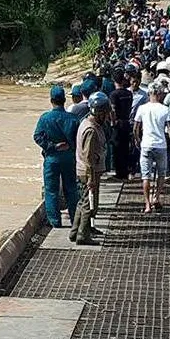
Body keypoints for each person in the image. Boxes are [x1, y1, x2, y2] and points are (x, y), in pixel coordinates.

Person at [33, 86, 80, 228]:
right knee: (71, 189)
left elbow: (37, 136)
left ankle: (55, 222)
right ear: (64, 100)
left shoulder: (45, 118)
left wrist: (52, 146)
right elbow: (79, 139)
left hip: (52, 158)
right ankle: (75, 220)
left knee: (51, 190)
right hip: (69, 157)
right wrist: (70, 147)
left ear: (51, 100)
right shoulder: (73, 119)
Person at [70, 92, 111, 245]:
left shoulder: (87, 123)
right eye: (105, 113)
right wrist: (91, 179)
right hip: (88, 173)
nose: (107, 117)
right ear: (99, 113)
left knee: (82, 202)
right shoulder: (91, 130)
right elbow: (88, 157)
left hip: (83, 171)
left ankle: (75, 231)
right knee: (89, 205)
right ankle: (83, 235)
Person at [134, 82, 170, 213]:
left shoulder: (142, 108)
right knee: (161, 174)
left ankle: (147, 204)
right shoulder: (165, 109)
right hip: (160, 145)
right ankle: (156, 197)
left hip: (146, 144)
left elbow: (136, 128)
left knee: (145, 176)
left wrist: (138, 140)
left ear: (149, 94)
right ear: (159, 94)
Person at [109, 69, 133, 180]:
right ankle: (126, 171)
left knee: (117, 148)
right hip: (127, 121)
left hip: (118, 123)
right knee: (126, 147)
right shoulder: (129, 93)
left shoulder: (114, 94)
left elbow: (113, 110)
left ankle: (119, 173)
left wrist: (113, 123)